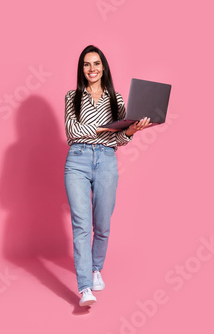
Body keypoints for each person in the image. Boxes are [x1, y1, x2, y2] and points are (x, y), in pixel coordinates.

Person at [64, 45, 152, 307]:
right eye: (86, 64)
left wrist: (132, 131)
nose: (92, 69)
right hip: (77, 160)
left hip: (106, 160)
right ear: (81, 69)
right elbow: (72, 129)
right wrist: (105, 128)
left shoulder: (117, 99)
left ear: (104, 67)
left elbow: (119, 139)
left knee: (102, 224)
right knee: (81, 225)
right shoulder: (72, 96)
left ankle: (95, 268)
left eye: (96, 64)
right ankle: (85, 288)